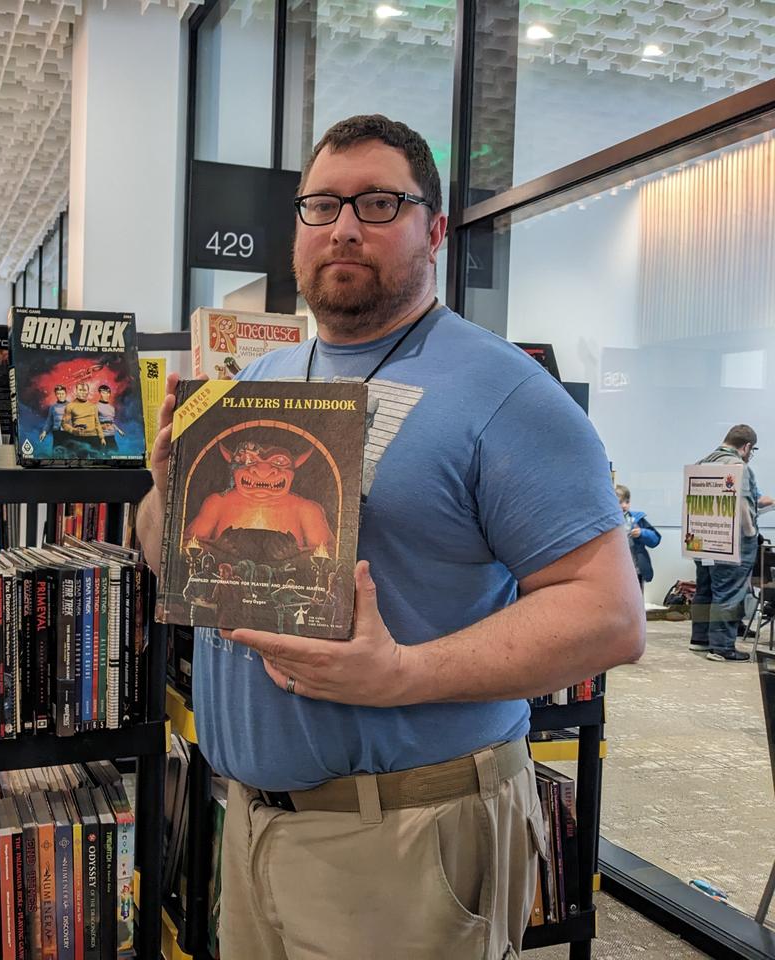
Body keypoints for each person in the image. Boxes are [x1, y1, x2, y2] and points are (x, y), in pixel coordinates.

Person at [135, 114, 645, 959]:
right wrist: (166, 490)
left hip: (407, 832)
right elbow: (169, 560)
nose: (343, 227)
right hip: (249, 822)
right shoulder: (260, 379)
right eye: (321, 204)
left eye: (378, 203)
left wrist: (403, 674)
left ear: (435, 229)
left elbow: (610, 618)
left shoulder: (507, 392)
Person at [690, 425, 773, 662]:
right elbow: (742, 503)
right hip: (731, 542)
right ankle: (722, 647)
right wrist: (750, 532)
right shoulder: (738, 466)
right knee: (729, 593)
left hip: (703, 539)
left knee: (705, 590)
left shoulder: (703, 463)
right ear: (746, 446)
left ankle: (700, 640)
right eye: (752, 450)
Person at [616, 484, 660, 595]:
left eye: (627, 501)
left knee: (637, 601)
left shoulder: (637, 519)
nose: (624, 505)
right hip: (616, 571)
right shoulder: (608, 521)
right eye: (620, 502)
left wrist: (642, 533)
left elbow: (655, 540)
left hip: (636, 571)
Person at [62, 382, 105, 454]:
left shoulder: (93, 406)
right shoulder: (70, 406)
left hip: (94, 438)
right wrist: (73, 430)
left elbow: (97, 423)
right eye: (80, 390)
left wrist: (102, 438)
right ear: (76, 391)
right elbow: (64, 424)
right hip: (79, 439)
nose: (82, 392)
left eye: (84, 390)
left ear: (88, 392)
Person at [38, 384, 71, 453]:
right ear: (56, 395)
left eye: (62, 393)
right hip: (57, 433)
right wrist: (44, 432)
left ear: (66, 394)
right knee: (56, 452)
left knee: (69, 453)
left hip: (68, 433)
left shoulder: (71, 405)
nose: (61, 395)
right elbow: (49, 421)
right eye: (58, 394)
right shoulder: (53, 407)